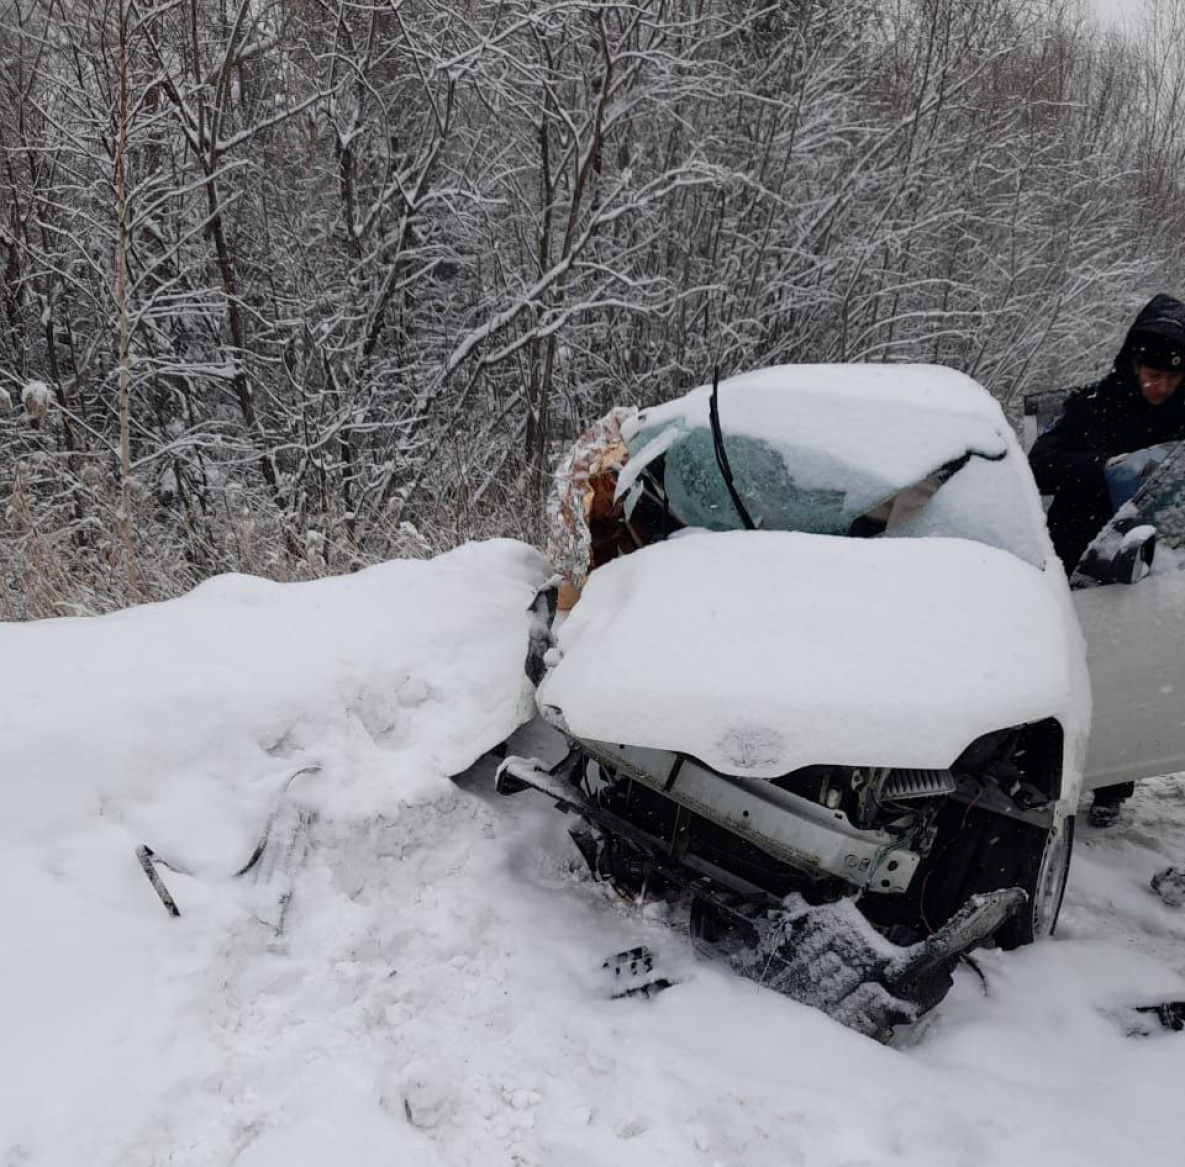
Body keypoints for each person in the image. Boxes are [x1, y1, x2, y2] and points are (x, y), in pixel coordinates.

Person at [1030, 293, 1185, 828]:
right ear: (1131, 361)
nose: (1159, 386)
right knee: (1058, 665)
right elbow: (1040, 464)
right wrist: (1103, 468)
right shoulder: (1093, 404)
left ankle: (1111, 782)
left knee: (1121, 671)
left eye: (1172, 377)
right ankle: (1041, 769)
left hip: (1143, 567)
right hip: (1069, 553)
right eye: (1150, 371)